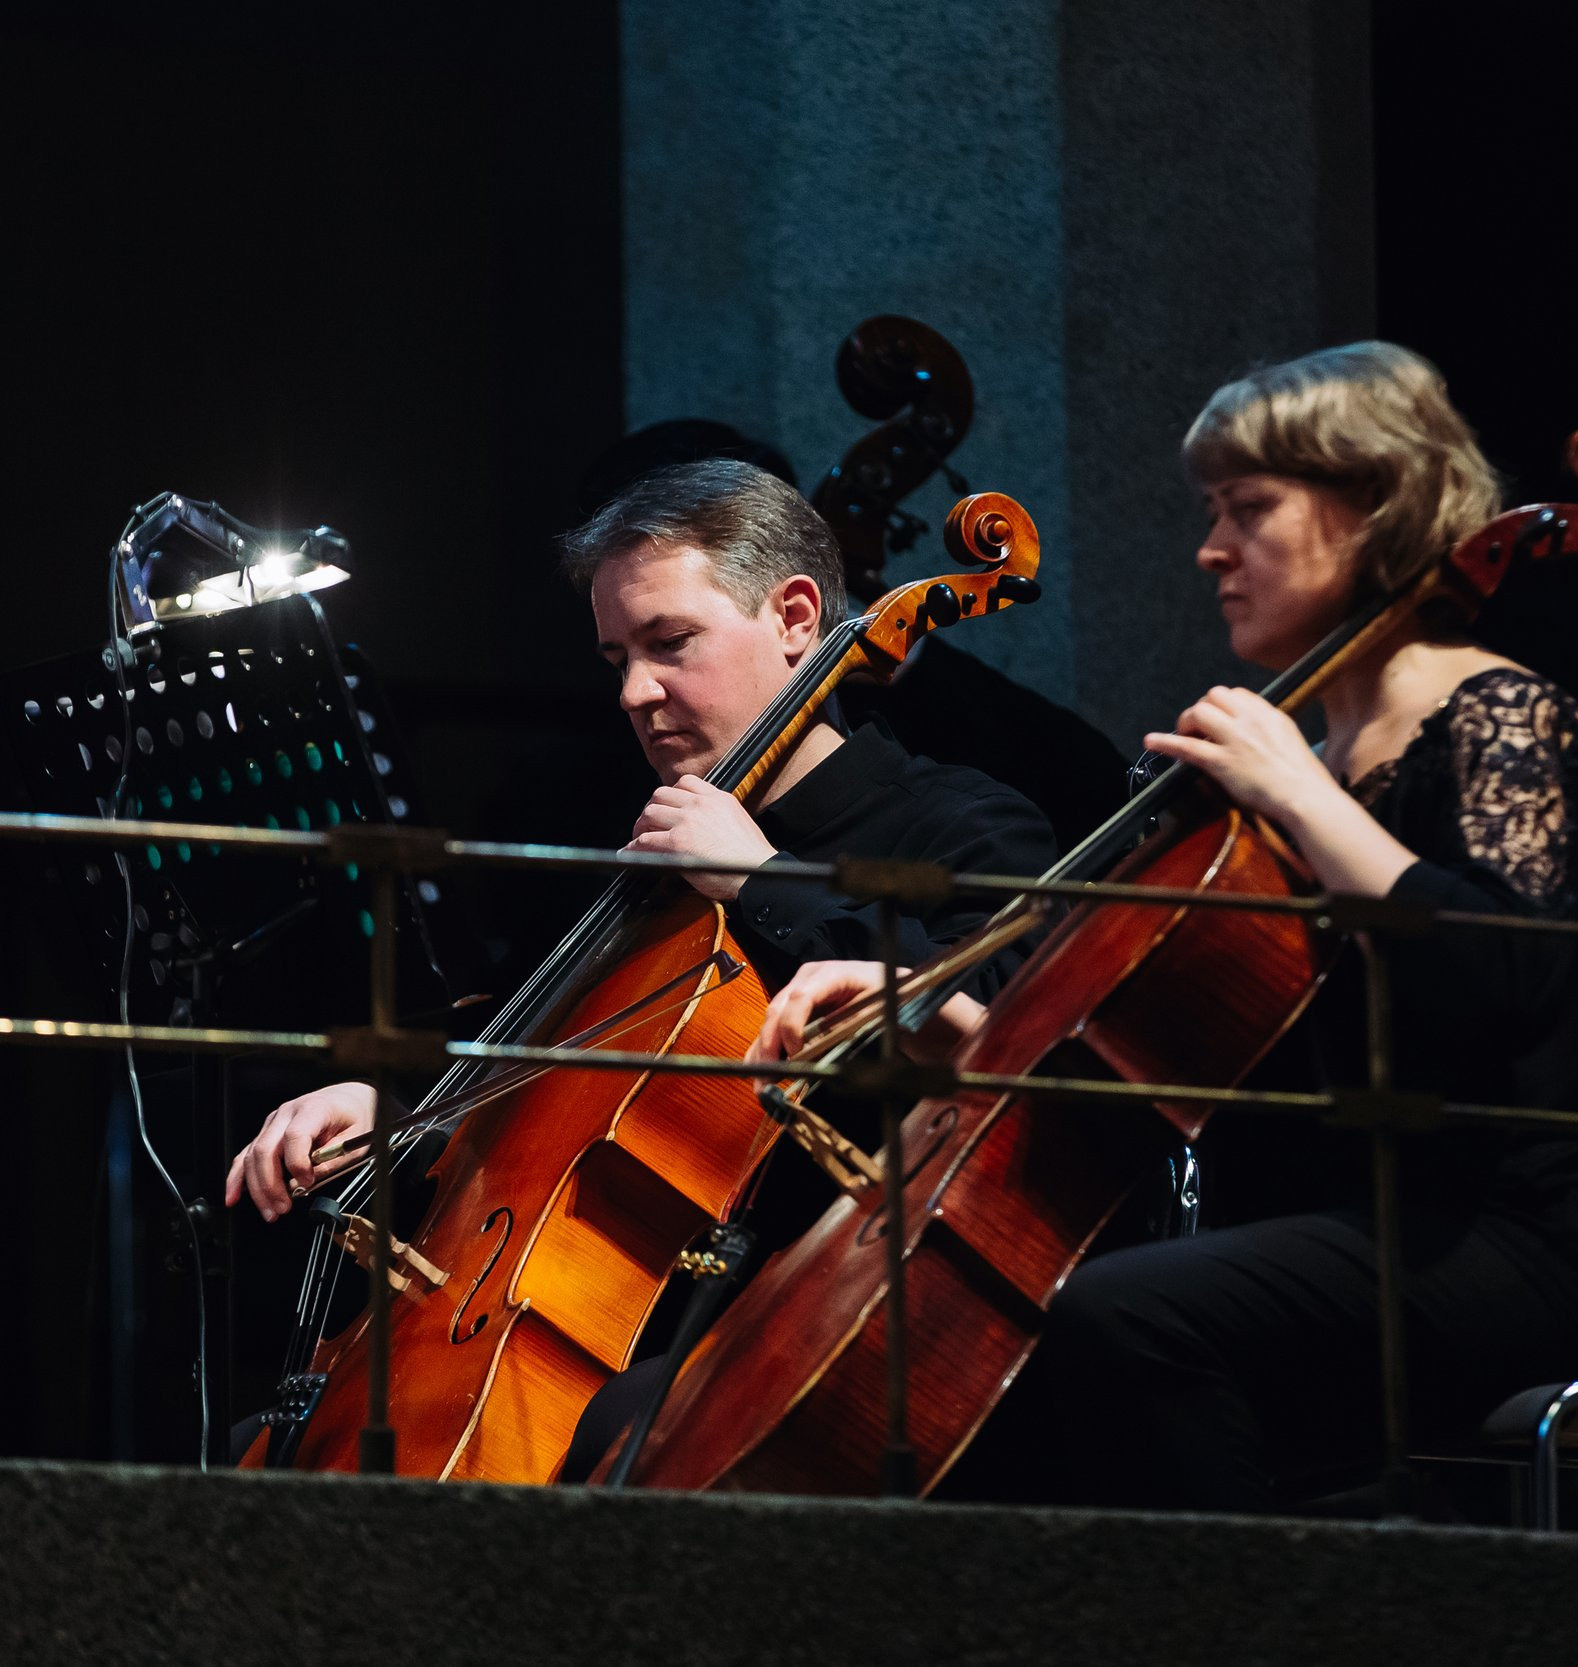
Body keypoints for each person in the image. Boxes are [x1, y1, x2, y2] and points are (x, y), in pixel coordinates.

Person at [754, 342, 1578, 1512]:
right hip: (1348, 1232)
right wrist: (933, 1014)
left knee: (1122, 1317)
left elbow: (1498, 974)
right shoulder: (1303, 761)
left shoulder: (1499, 715)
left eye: (1249, 508)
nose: (1211, 548)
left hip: (1528, 1234)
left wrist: (1298, 794)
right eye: (1209, 511)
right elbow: (1153, 1058)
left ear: (1373, 507)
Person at [223, 458, 1056, 1226]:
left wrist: (763, 878)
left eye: (670, 643)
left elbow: (1011, 1069)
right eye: (618, 657)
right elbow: (531, 1101)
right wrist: (401, 1115)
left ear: (795, 617)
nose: (632, 692)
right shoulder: (641, 853)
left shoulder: (968, 827)